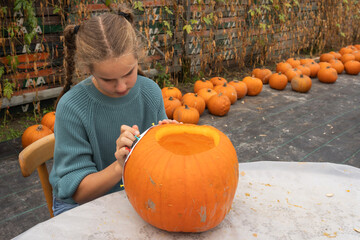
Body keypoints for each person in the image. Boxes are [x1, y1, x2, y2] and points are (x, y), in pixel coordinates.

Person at [49, 7, 176, 216]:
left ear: (138, 59)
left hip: (134, 193)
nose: (121, 87)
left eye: (128, 73)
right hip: (82, 206)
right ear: (88, 70)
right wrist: (120, 167)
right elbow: (78, 193)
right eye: (107, 79)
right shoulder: (72, 108)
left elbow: (160, 163)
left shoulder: (150, 92)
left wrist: (172, 141)